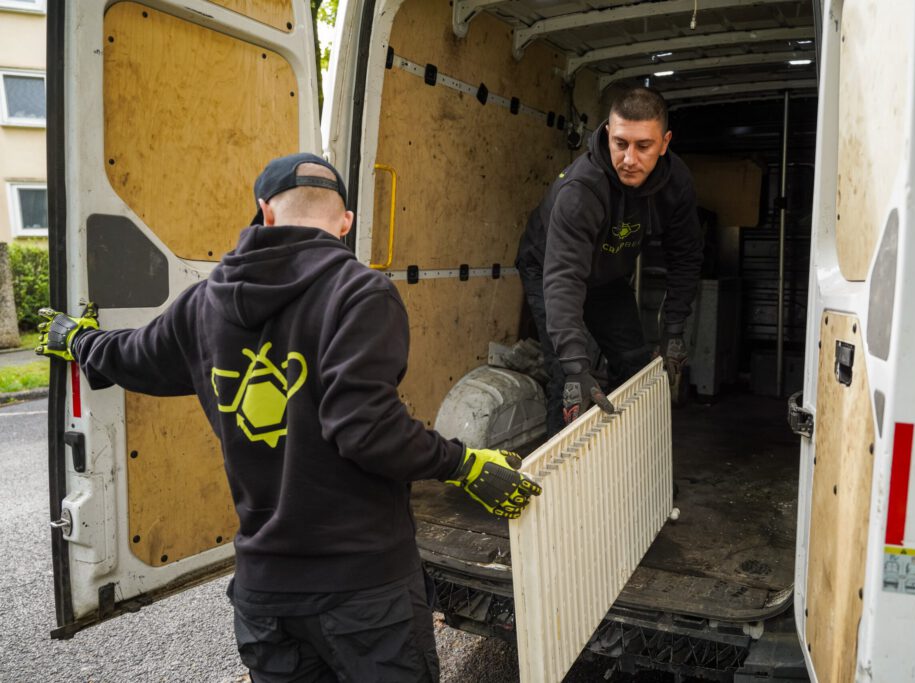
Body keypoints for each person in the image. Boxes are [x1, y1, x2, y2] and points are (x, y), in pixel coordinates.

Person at [36, 153, 542, 683]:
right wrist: (464, 464)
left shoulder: (202, 305)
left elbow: (132, 356)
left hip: (265, 599)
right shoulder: (360, 293)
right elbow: (367, 429)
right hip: (364, 593)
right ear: (345, 222)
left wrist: (77, 340)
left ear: (265, 213)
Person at [516, 87, 703, 435]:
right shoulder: (582, 189)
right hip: (549, 269)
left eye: (643, 146)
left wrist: (674, 328)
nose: (629, 159)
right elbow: (563, 277)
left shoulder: (676, 183)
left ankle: (624, 476)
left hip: (607, 274)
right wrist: (574, 363)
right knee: (568, 378)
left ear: (664, 143)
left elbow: (686, 254)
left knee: (633, 363)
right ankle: (567, 484)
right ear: (607, 134)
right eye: (620, 143)